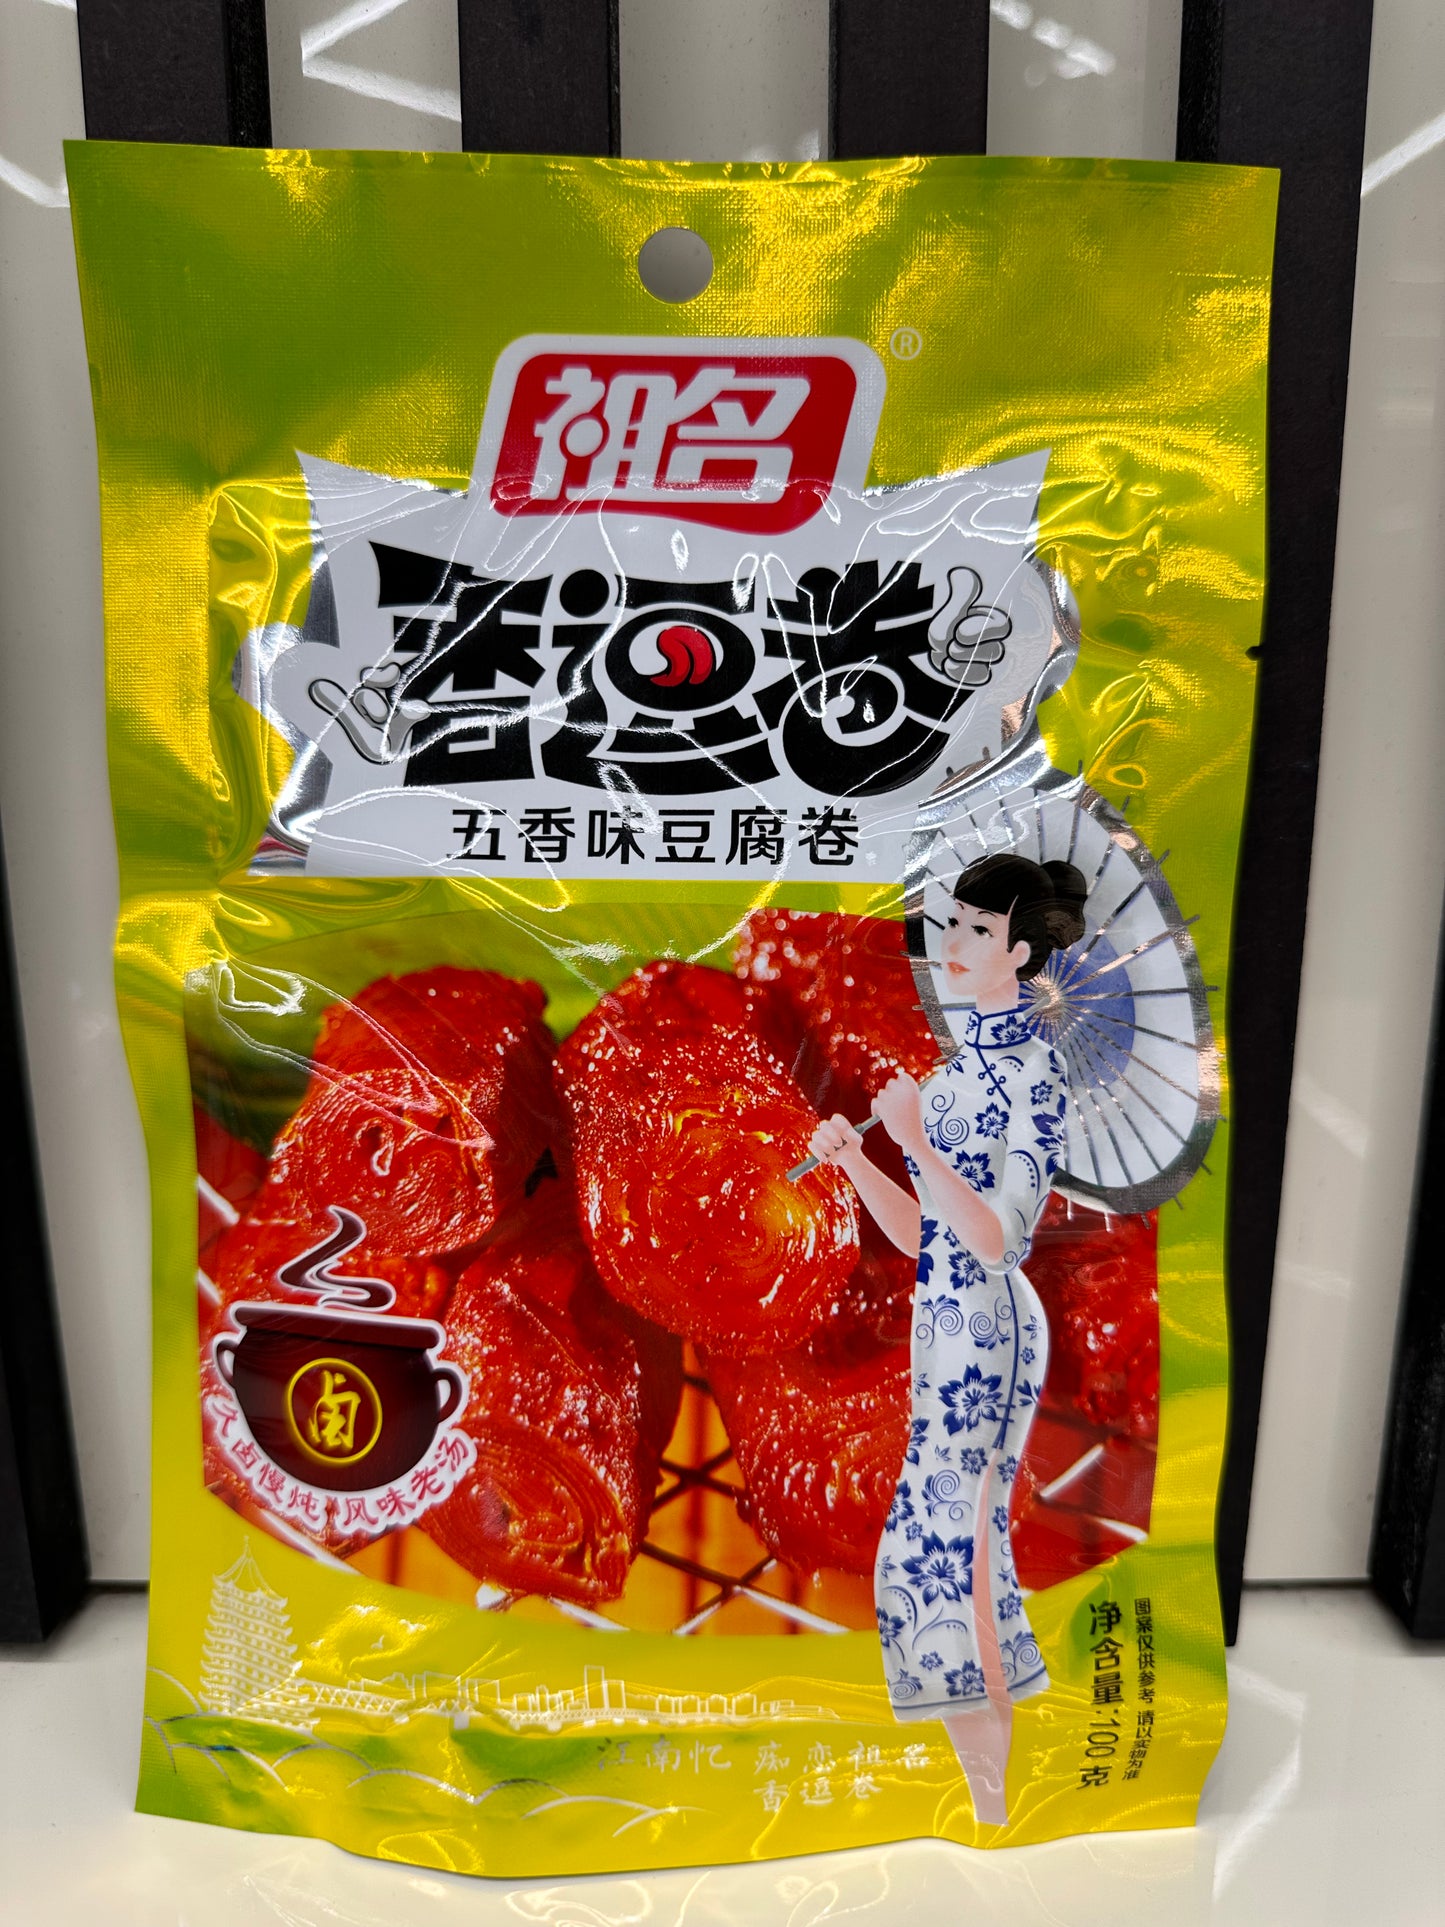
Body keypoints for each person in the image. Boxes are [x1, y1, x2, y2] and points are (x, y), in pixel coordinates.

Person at [807, 851, 1086, 1825]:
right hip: (942, 1312)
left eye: (977, 928)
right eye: (953, 922)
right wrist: (857, 1160)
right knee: (950, 1545)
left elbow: (1000, 1238)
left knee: (940, 1546)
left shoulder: (1034, 1071)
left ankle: (988, 1792)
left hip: (990, 1325)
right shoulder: (954, 1071)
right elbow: (919, 1233)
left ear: (1020, 952)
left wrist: (917, 1141)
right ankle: (986, 1788)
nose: (953, 941)